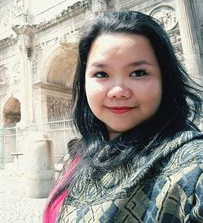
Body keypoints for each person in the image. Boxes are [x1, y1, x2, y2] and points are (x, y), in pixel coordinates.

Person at [43, 11, 203, 222]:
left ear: (164, 78)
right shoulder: (78, 154)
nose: (118, 90)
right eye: (101, 74)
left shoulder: (193, 164)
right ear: (83, 83)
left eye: (138, 72)